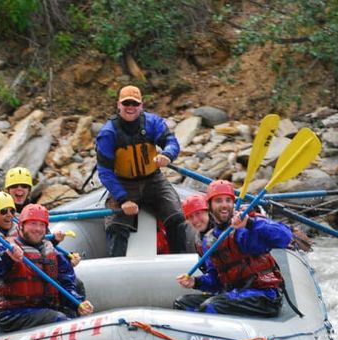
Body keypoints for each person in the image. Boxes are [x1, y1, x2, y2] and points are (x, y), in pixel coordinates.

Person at [174, 180, 292, 317]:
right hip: (235, 294)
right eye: (218, 201)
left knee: (212, 306)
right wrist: (196, 282)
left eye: (228, 200)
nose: (224, 205)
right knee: (182, 303)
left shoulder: (245, 228)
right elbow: (216, 282)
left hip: (264, 295)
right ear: (210, 206)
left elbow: (285, 237)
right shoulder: (208, 240)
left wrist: (250, 223)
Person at [96, 85, 188, 257]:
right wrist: (123, 199)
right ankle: (117, 270)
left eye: (134, 103)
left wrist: (168, 154)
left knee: (176, 217)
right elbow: (105, 171)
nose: (130, 107)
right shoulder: (108, 133)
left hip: (154, 180)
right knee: (117, 227)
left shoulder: (152, 122)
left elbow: (170, 140)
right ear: (119, 105)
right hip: (124, 183)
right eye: (126, 103)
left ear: (141, 106)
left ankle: (180, 262)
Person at [0, 204, 93, 332]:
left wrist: (77, 303)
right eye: (33, 224)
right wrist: (5, 257)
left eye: (42, 225)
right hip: (12, 314)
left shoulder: (53, 252)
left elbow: (67, 284)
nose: (38, 229)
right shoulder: (5, 246)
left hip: (45, 309)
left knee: (73, 302)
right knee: (58, 318)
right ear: (21, 226)